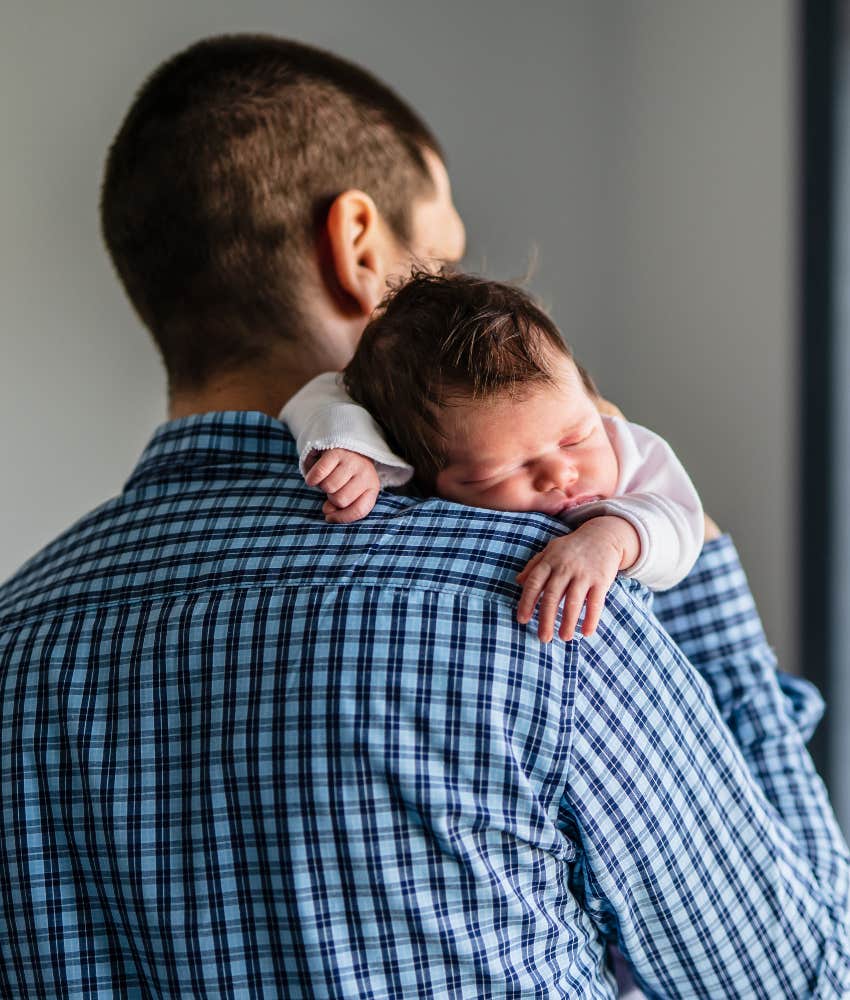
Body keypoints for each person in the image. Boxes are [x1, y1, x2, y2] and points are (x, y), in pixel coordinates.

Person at [0, 32, 848, 1000]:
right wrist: (695, 578)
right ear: (357, 246)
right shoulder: (541, 599)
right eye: (439, 256)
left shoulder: (15, 635)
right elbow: (797, 980)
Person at [282, 270, 705, 642]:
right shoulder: (404, 452)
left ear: (588, 395)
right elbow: (320, 393)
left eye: (576, 438)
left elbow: (682, 526)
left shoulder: (625, 447)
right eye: (504, 469)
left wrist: (611, 539)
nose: (559, 473)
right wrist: (353, 446)